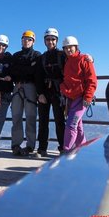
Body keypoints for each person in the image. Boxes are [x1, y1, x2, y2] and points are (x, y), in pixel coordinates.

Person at [60, 36, 97, 152]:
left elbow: (92, 79)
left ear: (76, 47)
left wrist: (88, 96)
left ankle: (67, 150)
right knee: (78, 126)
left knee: (71, 124)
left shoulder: (84, 59)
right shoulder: (67, 61)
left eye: (70, 47)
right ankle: (83, 151)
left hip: (81, 98)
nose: (68, 50)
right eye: (66, 48)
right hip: (70, 98)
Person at [10, 30, 41, 156]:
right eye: (24, 39)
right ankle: (16, 144)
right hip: (17, 87)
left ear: (33, 41)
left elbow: (37, 73)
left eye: (29, 39)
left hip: (30, 87)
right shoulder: (16, 56)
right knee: (16, 117)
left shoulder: (37, 55)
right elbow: (13, 72)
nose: (26, 41)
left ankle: (30, 146)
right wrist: (29, 69)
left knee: (30, 117)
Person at [36, 28, 66, 157]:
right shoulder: (42, 58)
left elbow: (73, 62)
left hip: (58, 92)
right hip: (45, 92)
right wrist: (40, 93)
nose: (50, 42)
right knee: (43, 121)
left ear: (57, 41)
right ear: (44, 41)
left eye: (53, 39)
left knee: (60, 121)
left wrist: (88, 58)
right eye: (48, 39)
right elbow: (38, 77)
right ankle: (42, 148)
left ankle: (63, 147)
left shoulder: (62, 55)